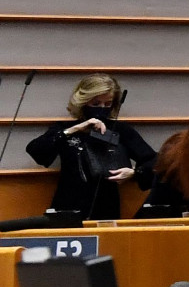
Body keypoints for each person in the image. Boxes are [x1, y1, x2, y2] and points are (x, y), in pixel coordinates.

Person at [25, 75, 155, 217]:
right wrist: (75, 129)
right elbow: (37, 152)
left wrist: (135, 173)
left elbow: (155, 162)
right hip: (68, 205)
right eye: (95, 104)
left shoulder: (120, 130)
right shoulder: (65, 128)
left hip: (105, 207)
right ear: (83, 102)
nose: (101, 108)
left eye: (107, 104)